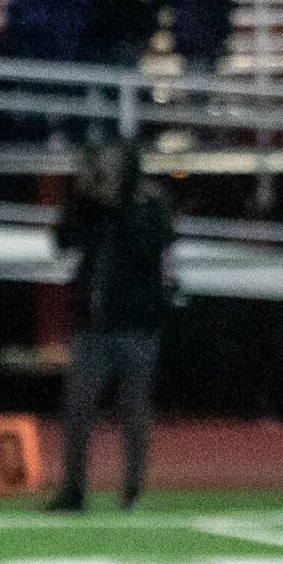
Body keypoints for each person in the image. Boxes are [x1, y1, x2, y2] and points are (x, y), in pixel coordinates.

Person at [48, 136, 175, 512]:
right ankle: (73, 491)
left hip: (137, 325)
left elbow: (150, 249)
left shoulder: (150, 202)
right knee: (77, 409)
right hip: (94, 326)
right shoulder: (92, 206)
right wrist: (80, 198)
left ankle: (132, 492)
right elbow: (63, 241)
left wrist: (120, 207)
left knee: (135, 412)